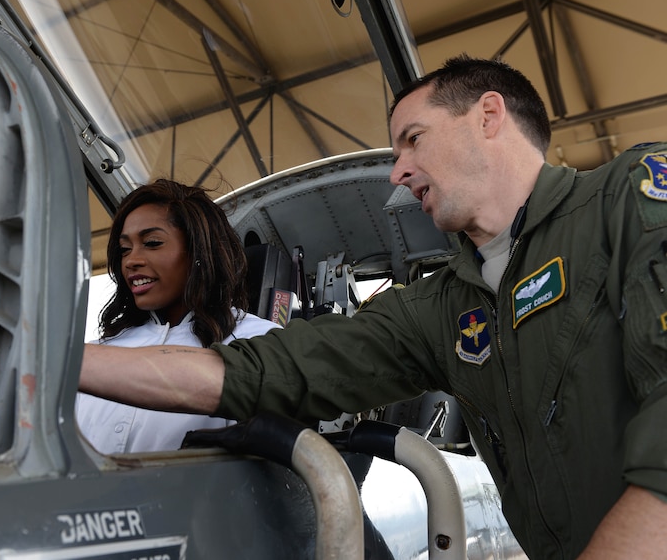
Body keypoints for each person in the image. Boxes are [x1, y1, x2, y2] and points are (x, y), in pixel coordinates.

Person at [79, 56, 667, 559]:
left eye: (414, 138)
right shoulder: (443, 307)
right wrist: (51, 360)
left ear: (489, 116)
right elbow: (266, 371)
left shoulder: (630, 199)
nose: (397, 170)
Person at [76, 178, 279, 453]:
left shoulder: (258, 342)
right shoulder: (102, 350)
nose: (131, 260)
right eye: (125, 249)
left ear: (199, 251)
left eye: (152, 242)